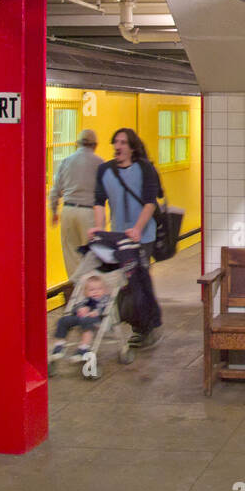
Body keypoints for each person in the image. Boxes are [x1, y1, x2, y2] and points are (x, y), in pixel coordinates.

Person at [93, 127, 162, 348]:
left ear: (132, 147)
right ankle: (140, 323)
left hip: (143, 236)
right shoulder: (105, 170)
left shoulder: (145, 169)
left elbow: (150, 202)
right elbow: (98, 202)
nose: (118, 146)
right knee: (123, 284)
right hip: (117, 237)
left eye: (123, 142)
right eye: (116, 142)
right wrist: (98, 229)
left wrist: (138, 229)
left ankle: (144, 329)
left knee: (138, 282)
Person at [49, 129, 104, 279]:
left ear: (77, 144)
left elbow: (55, 191)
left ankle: (75, 292)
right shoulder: (100, 163)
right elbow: (105, 191)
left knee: (71, 255)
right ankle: (89, 292)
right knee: (92, 254)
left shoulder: (66, 161)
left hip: (68, 211)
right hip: (89, 213)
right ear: (95, 145)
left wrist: (54, 212)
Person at [51, 274, 110, 361]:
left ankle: (83, 348)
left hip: (95, 319)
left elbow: (104, 307)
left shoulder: (104, 299)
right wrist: (80, 309)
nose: (95, 292)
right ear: (86, 292)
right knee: (63, 320)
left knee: (87, 322)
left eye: (99, 289)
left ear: (104, 290)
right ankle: (60, 344)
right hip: (80, 318)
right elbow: (77, 307)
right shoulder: (86, 300)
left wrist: (97, 312)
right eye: (92, 290)